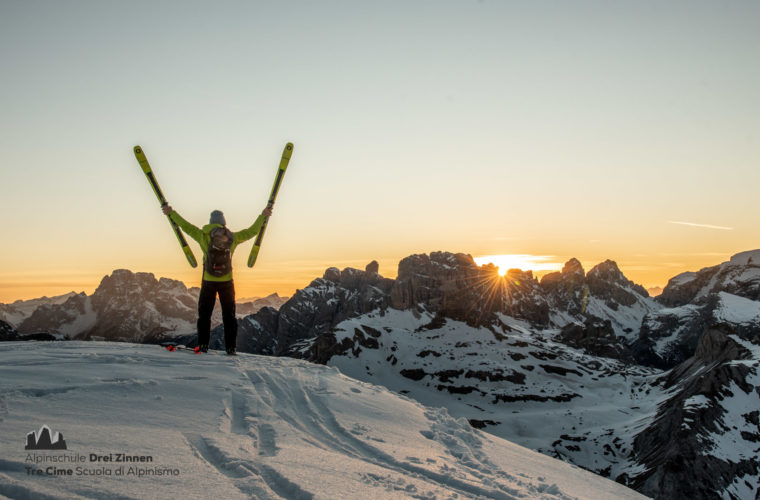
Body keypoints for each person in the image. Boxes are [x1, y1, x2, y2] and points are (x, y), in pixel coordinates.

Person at [161, 204, 273, 355]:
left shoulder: (203, 235)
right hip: (227, 282)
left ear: (210, 222)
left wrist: (171, 213)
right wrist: (263, 215)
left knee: (204, 315)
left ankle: (203, 345)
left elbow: (185, 226)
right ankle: (231, 347)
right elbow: (252, 231)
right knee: (229, 316)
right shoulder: (232, 237)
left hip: (208, 280)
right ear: (223, 223)